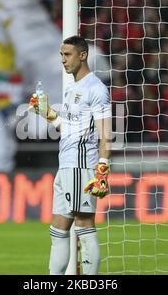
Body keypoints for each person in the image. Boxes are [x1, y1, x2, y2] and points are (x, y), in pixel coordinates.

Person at [29, 35, 112, 275]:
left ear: (82, 55)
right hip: (66, 165)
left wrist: (102, 169)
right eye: (61, 55)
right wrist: (48, 114)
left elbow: (106, 133)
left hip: (81, 166)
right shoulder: (72, 89)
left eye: (67, 55)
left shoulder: (95, 88)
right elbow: (69, 129)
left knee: (84, 225)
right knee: (58, 229)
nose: (63, 60)